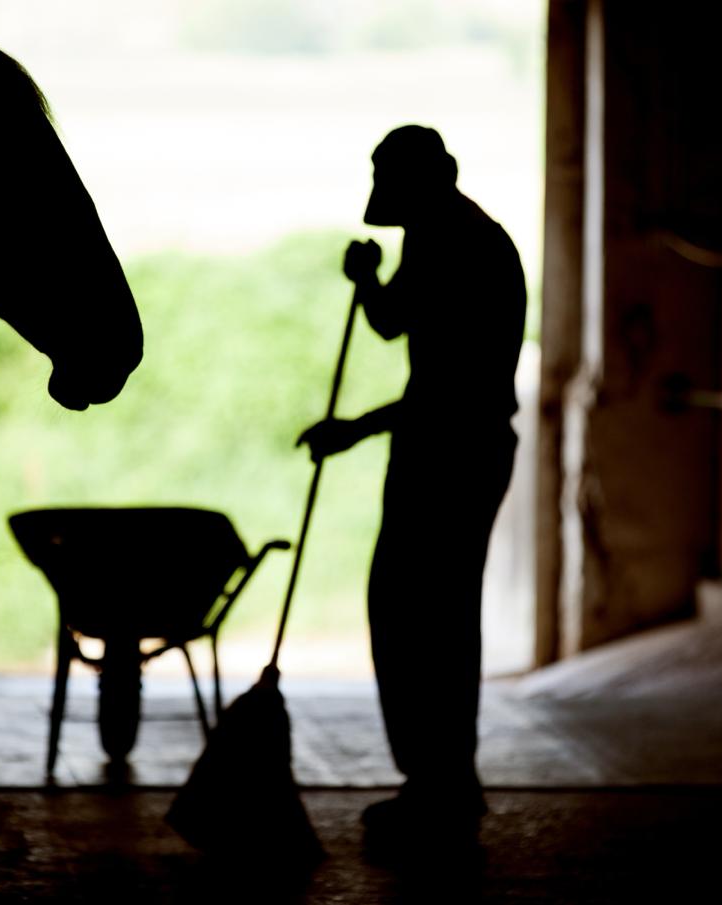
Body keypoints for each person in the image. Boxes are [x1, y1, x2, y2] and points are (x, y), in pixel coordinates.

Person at [297, 125, 525, 843]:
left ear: (429, 177)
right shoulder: (439, 232)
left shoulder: (461, 243)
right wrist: (369, 281)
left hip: (454, 451)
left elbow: (450, 389)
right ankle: (439, 778)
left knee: (425, 614)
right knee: (423, 611)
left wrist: (354, 428)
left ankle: (442, 782)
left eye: (387, 178)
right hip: (443, 447)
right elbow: (396, 319)